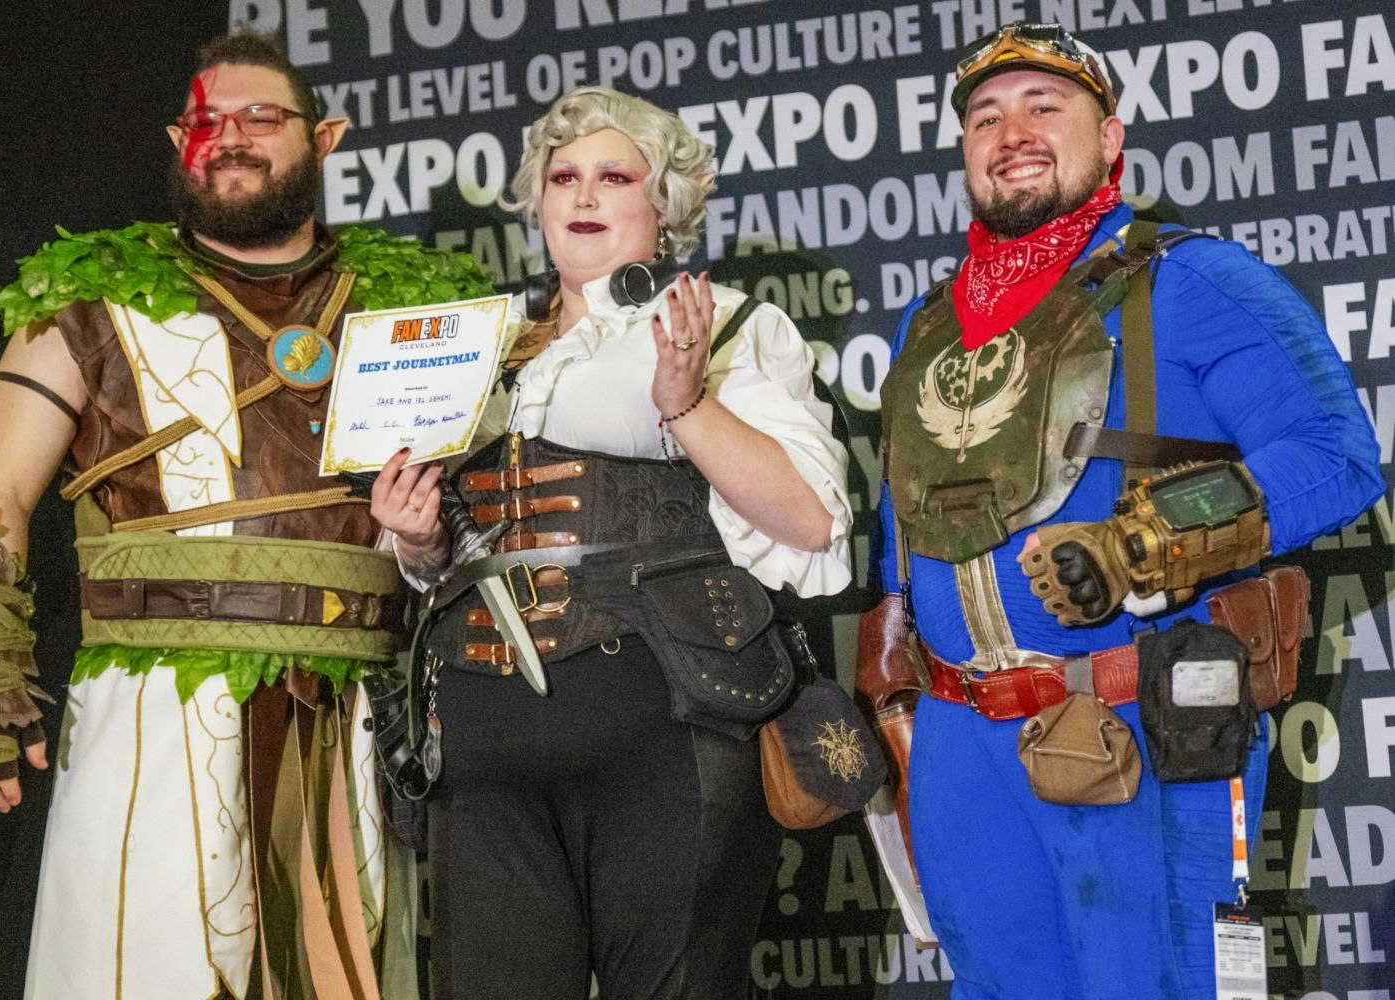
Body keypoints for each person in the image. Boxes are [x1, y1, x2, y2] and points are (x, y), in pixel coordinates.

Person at [0, 32, 492, 1000]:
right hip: (158, 707)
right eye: (205, 121)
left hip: (356, 718)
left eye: (261, 117)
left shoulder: (414, 307)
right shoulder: (84, 301)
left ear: (327, 137)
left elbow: (477, 512)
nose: (230, 138)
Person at [861, 22, 1383, 1000]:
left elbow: (1337, 455)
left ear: (1111, 139)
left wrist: (1146, 541)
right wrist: (898, 709)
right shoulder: (925, 324)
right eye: (985, 115)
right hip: (960, 750)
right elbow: (908, 525)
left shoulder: (1194, 279)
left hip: (1132, 722)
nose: (1011, 129)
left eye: (1044, 107)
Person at [367, 85, 853, 999]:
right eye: (564, 177)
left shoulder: (728, 326)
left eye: (614, 176)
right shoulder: (477, 347)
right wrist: (419, 541)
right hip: (482, 746)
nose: (584, 197)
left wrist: (687, 403)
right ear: (538, 201)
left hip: (662, 735)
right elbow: (452, 561)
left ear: (660, 206)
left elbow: (811, 522)